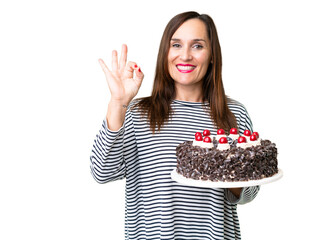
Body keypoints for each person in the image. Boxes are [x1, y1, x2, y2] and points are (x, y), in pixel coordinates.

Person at [90, 11, 260, 240]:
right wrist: (118, 103)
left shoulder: (234, 113)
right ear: (165, 53)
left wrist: (225, 168)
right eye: (176, 45)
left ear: (212, 55)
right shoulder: (139, 113)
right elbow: (102, 172)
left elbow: (249, 193)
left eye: (197, 46)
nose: (186, 55)